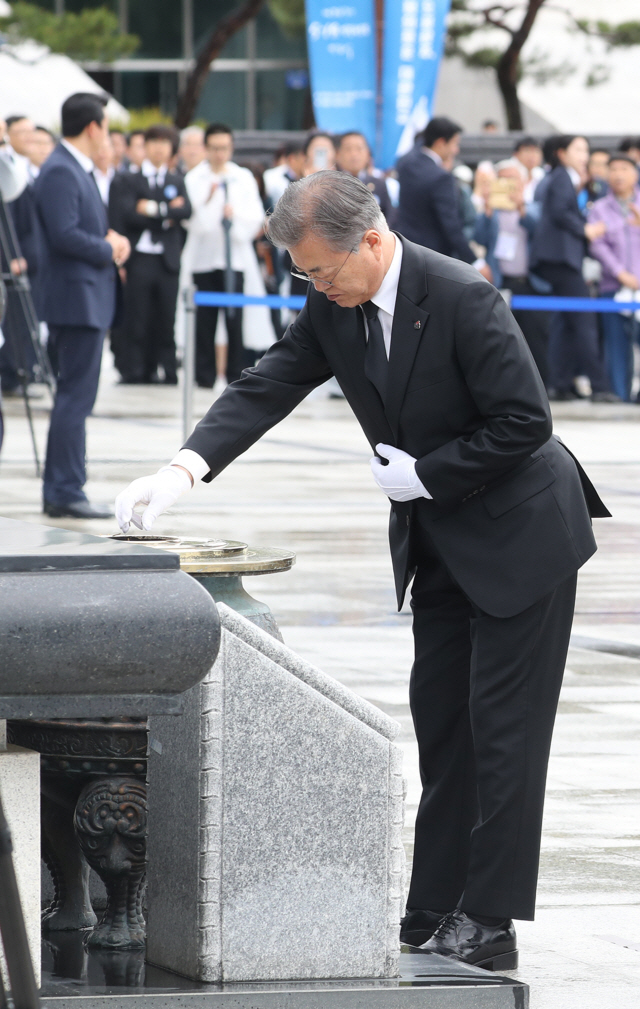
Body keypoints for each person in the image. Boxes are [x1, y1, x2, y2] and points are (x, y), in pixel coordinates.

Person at [115, 171, 609, 970]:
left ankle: (488, 918)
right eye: (305, 274)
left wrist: (430, 474)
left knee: (505, 731)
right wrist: (180, 472)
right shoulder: (331, 306)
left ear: (372, 242)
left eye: (323, 271)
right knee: (444, 721)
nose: (317, 286)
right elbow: (265, 384)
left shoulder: (461, 296)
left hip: (523, 536)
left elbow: (526, 420)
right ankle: (434, 900)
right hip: (445, 539)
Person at [35, 92, 130, 519]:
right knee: (74, 397)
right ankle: (64, 488)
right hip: (76, 300)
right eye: (105, 125)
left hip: (87, 297)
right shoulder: (61, 169)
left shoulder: (73, 168)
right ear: (93, 127)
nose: (106, 133)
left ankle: (66, 486)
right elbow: (64, 234)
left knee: (77, 397)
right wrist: (107, 246)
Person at [529, 134, 616, 402]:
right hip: (561, 259)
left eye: (586, 150)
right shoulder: (561, 177)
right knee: (583, 321)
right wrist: (586, 229)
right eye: (578, 149)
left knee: (565, 323)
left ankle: (560, 384)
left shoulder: (563, 178)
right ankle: (600, 387)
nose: (584, 155)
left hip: (558, 260)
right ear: (561, 153)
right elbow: (559, 212)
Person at [182, 122, 265, 388]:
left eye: (225, 148)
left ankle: (236, 376)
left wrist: (235, 216)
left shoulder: (242, 177)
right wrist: (207, 202)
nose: (220, 154)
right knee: (203, 322)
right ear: (206, 148)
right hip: (203, 259)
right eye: (214, 148)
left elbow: (255, 217)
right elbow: (189, 220)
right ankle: (203, 377)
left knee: (235, 321)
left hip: (236, 260)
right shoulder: (194, 179)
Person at [113, 124, 191, 385]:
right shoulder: (129, 179)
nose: (159, 149)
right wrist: (167, 212)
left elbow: (186, 211)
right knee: (138, 316)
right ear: (144, 147)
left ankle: (168, 371)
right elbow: (128, 214)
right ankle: (136, 370)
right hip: (140, 257)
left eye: (164, 143)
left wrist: (150, 209)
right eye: (153, 142)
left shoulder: (176, 179)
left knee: (166, 317)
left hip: (166, 259)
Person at [474, 162, 550, 383]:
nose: (507, 183)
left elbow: (541, 231)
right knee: (501, 338)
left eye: (513, 178)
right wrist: (487, 212)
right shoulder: (492, 211)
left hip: (530, 281)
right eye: (503, 178)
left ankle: (540, 384)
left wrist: (521, 207)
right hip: (500, 281)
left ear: (524, 181)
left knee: (535, 338)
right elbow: (479, 238)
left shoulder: (533, 207)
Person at [396, 117, 492, 280]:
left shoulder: (405, 163)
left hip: (405, 251)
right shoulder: (441, 178)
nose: (456, 150)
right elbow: (451, 226)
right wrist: (476, 263)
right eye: (455, 144)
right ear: (441, 142)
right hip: (434, 259)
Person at [588, 154, 640, 401]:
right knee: (616, 345)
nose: (618, 174)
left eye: (624, 168)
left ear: (635, 174)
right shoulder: (599, 208)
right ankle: (620, 396)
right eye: (614, 169)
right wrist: (621, 273)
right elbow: (598, 246)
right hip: (614, 286)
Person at [336, 131, 393, 221]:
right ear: (338, 155)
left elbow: (390, 217)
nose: (354, 154)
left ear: (367, 154)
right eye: (348, 149)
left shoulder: (380, 184)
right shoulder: (332, 185)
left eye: (359, 149)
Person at [263, 142, 305, 207]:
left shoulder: (305, 177)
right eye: (303, 160)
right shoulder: (271, 176)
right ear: (292, 159)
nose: (305, 163)